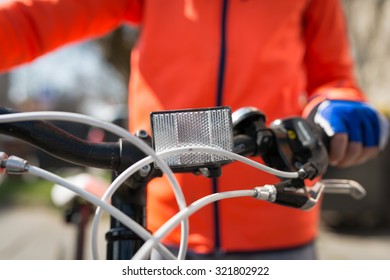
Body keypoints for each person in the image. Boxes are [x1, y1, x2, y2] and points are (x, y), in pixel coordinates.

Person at [0, 0, 388, 259]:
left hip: (276, 221)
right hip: (159, 218)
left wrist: (339, 104)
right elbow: (34, 19)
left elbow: (333, 74)